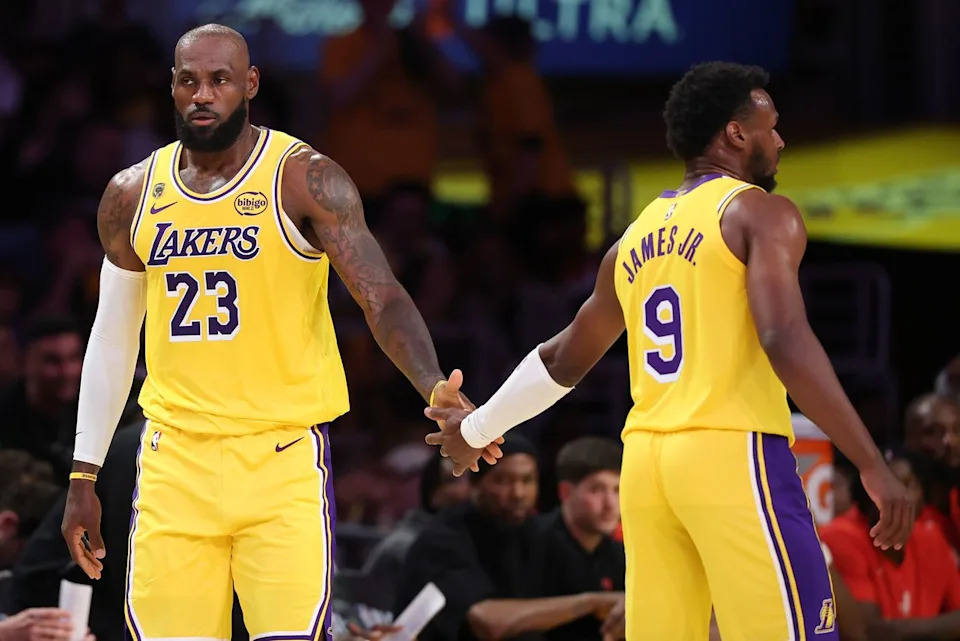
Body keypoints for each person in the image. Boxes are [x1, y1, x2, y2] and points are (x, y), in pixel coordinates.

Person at [425, 61, 915, 641]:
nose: (780, 140)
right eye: (771, 126)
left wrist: (477, 428)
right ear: (735, 133)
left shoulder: (631, 239)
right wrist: (871, 462)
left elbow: (562, 362)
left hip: (647, 467)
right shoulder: (760, 211)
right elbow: (783, 335)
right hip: (733, 453)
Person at [59, 24, 500, 641]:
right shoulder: (131, 195)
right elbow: (111, 340)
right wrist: (84, 476)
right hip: (172, 462)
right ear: (173, 88)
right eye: (189, 80)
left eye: (220, 79)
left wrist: (433, 386)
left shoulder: (303, 178)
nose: (203, 94)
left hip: (280, 460)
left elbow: (383, 298)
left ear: (251, 85)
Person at [396, 436, 620, 641]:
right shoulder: (445, 537)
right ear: (475, 484)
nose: (518, 493)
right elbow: (487, 624)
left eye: (527, 480)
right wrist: (594, 602)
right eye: (503, 480)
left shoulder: (537, 535)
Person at [820, 451, 960, 639]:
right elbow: (866, 632)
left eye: (908, 484)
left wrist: (902, 630)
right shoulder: (840, 535)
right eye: (887, 484)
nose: (897, 494)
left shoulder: (932, 537)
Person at [535, 437, 625, 641]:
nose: (610, 504)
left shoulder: (618, 552)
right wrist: (592, 603)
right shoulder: (532, 541)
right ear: (565, 492)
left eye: (617, 490)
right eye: (596, 489)